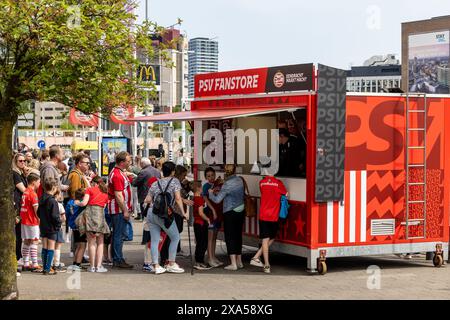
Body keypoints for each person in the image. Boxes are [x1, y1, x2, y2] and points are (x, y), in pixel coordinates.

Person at [144, 161, 188, 274]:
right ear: (173, 172)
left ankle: (156, 265)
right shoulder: (175, 181)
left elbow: (147, 200)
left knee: (154, 240)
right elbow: (178, 198)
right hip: (164, 214)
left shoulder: (155, 183)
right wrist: (183, 213)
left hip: (152, 212)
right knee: (175, 237)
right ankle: (171, 263)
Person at [209, 164, 245, 271]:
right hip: (241, 210)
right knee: (238, 236)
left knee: (230, 237)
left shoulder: (226, 184)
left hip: (230, 212)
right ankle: (239, 262)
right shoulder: (239, 180)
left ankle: (233, 264)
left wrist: (211, 193)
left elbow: (217, 200)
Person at [250, 168, 287, 274]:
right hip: (273, 215)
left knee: (265, 240)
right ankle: (262, 261)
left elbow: (263, 192)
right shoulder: (278, 183)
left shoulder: (261, 183)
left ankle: (260, 260)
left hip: (263, 215)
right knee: (271, 238)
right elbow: (285, 194)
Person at [75, 176, 110, 273]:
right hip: (100, 217)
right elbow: (104, 206)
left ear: (94, 183)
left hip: (90, 216)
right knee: (100, 242)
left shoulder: (89, 190)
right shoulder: (105, 193)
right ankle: (98, 266)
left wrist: (77, 202)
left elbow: (84, 203)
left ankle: (92, 266)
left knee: (91, 242)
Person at [160, 165, 193, 264]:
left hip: (173, 211)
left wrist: (186, 187)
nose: (185, 177)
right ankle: (169, 259)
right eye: (184, 175)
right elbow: (177, 196)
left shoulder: (173, 182)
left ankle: (166, 258)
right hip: (174, 211)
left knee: (172, 235)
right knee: (172, 236)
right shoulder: (175, 182)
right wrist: (184, 212)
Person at [108, 151, 134, 269]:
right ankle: (118, 259)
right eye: (128, 161)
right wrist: (125, 210)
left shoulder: (118, 172)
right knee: (119, 235)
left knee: (117, 235)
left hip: (118, 208)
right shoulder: (118, 175)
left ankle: (116, 257)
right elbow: (118, 195)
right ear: (122, 162)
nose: (130, 163)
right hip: (118, 209)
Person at [67, 153, 91, 267]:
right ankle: (77, 261)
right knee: (80, 240)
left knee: (79, 240)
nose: (88, 165)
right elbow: (76, 192)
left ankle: (78, 259)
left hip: (77, 209)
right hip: (78, 210)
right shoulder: (76, 175)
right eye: (86, 163)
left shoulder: (79, 174)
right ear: (79, 164)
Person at [38, 177, 62, 275]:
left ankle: (44, 267)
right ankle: (47, 268)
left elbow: (38, 212)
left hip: (43, 225)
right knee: (51, 247)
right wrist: (58, 224)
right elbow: (55, 216)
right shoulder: (53, 201)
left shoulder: (41, 198)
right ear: (53, 188)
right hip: (52, 227)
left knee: (44, 246)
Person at [202, 167, 224, 267]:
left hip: (218, 213)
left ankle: (213, 256)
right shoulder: (206, 186)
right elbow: (205, 199)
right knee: (210, 237)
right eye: (208, 176)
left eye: (212, 175)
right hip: (210, 213)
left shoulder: (218, 184)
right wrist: (213, 210)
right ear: (206, 177)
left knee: (215, 236)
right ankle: (210, 258)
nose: (211, 177)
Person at [20, 173, 41, 272]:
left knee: (26, 241)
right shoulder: (33, 193)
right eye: (38, 182)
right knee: (34, 240)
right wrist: (40, 219)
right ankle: (35, 263)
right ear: (33, 182)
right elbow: (36, 209)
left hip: (24, 220)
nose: (39, 183)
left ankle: (26, 263)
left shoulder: (25, 192)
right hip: (32, 220)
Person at [12, 153, 29, 264]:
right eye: (20, 161)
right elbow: (24, 189)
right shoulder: (15, 173)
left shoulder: (21, 173)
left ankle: (18, 256)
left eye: (24, 161)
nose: (23, 163)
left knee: (19, 233)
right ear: (15, 162)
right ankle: (17, 257)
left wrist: (26, 174)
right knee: (16, 233)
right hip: (16, 205)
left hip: (20, 204)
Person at [192, 181, 213, 270]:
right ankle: (200, 262)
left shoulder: (193, 198)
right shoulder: (200, 199)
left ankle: (198, 261)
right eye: (201, 187)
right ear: (198, 188)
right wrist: (207, 218)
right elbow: (201, 213)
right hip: (201, 223)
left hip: (196, 223)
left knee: (199, 243)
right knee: (203, 243)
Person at [65, 188, 86, 270]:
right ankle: (78, 264)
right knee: (82, 245)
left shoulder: (70, 203)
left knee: (77, 246)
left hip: (73, 226)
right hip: (81, 226)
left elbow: (67, 214)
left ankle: (75, 262)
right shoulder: (82, 205)